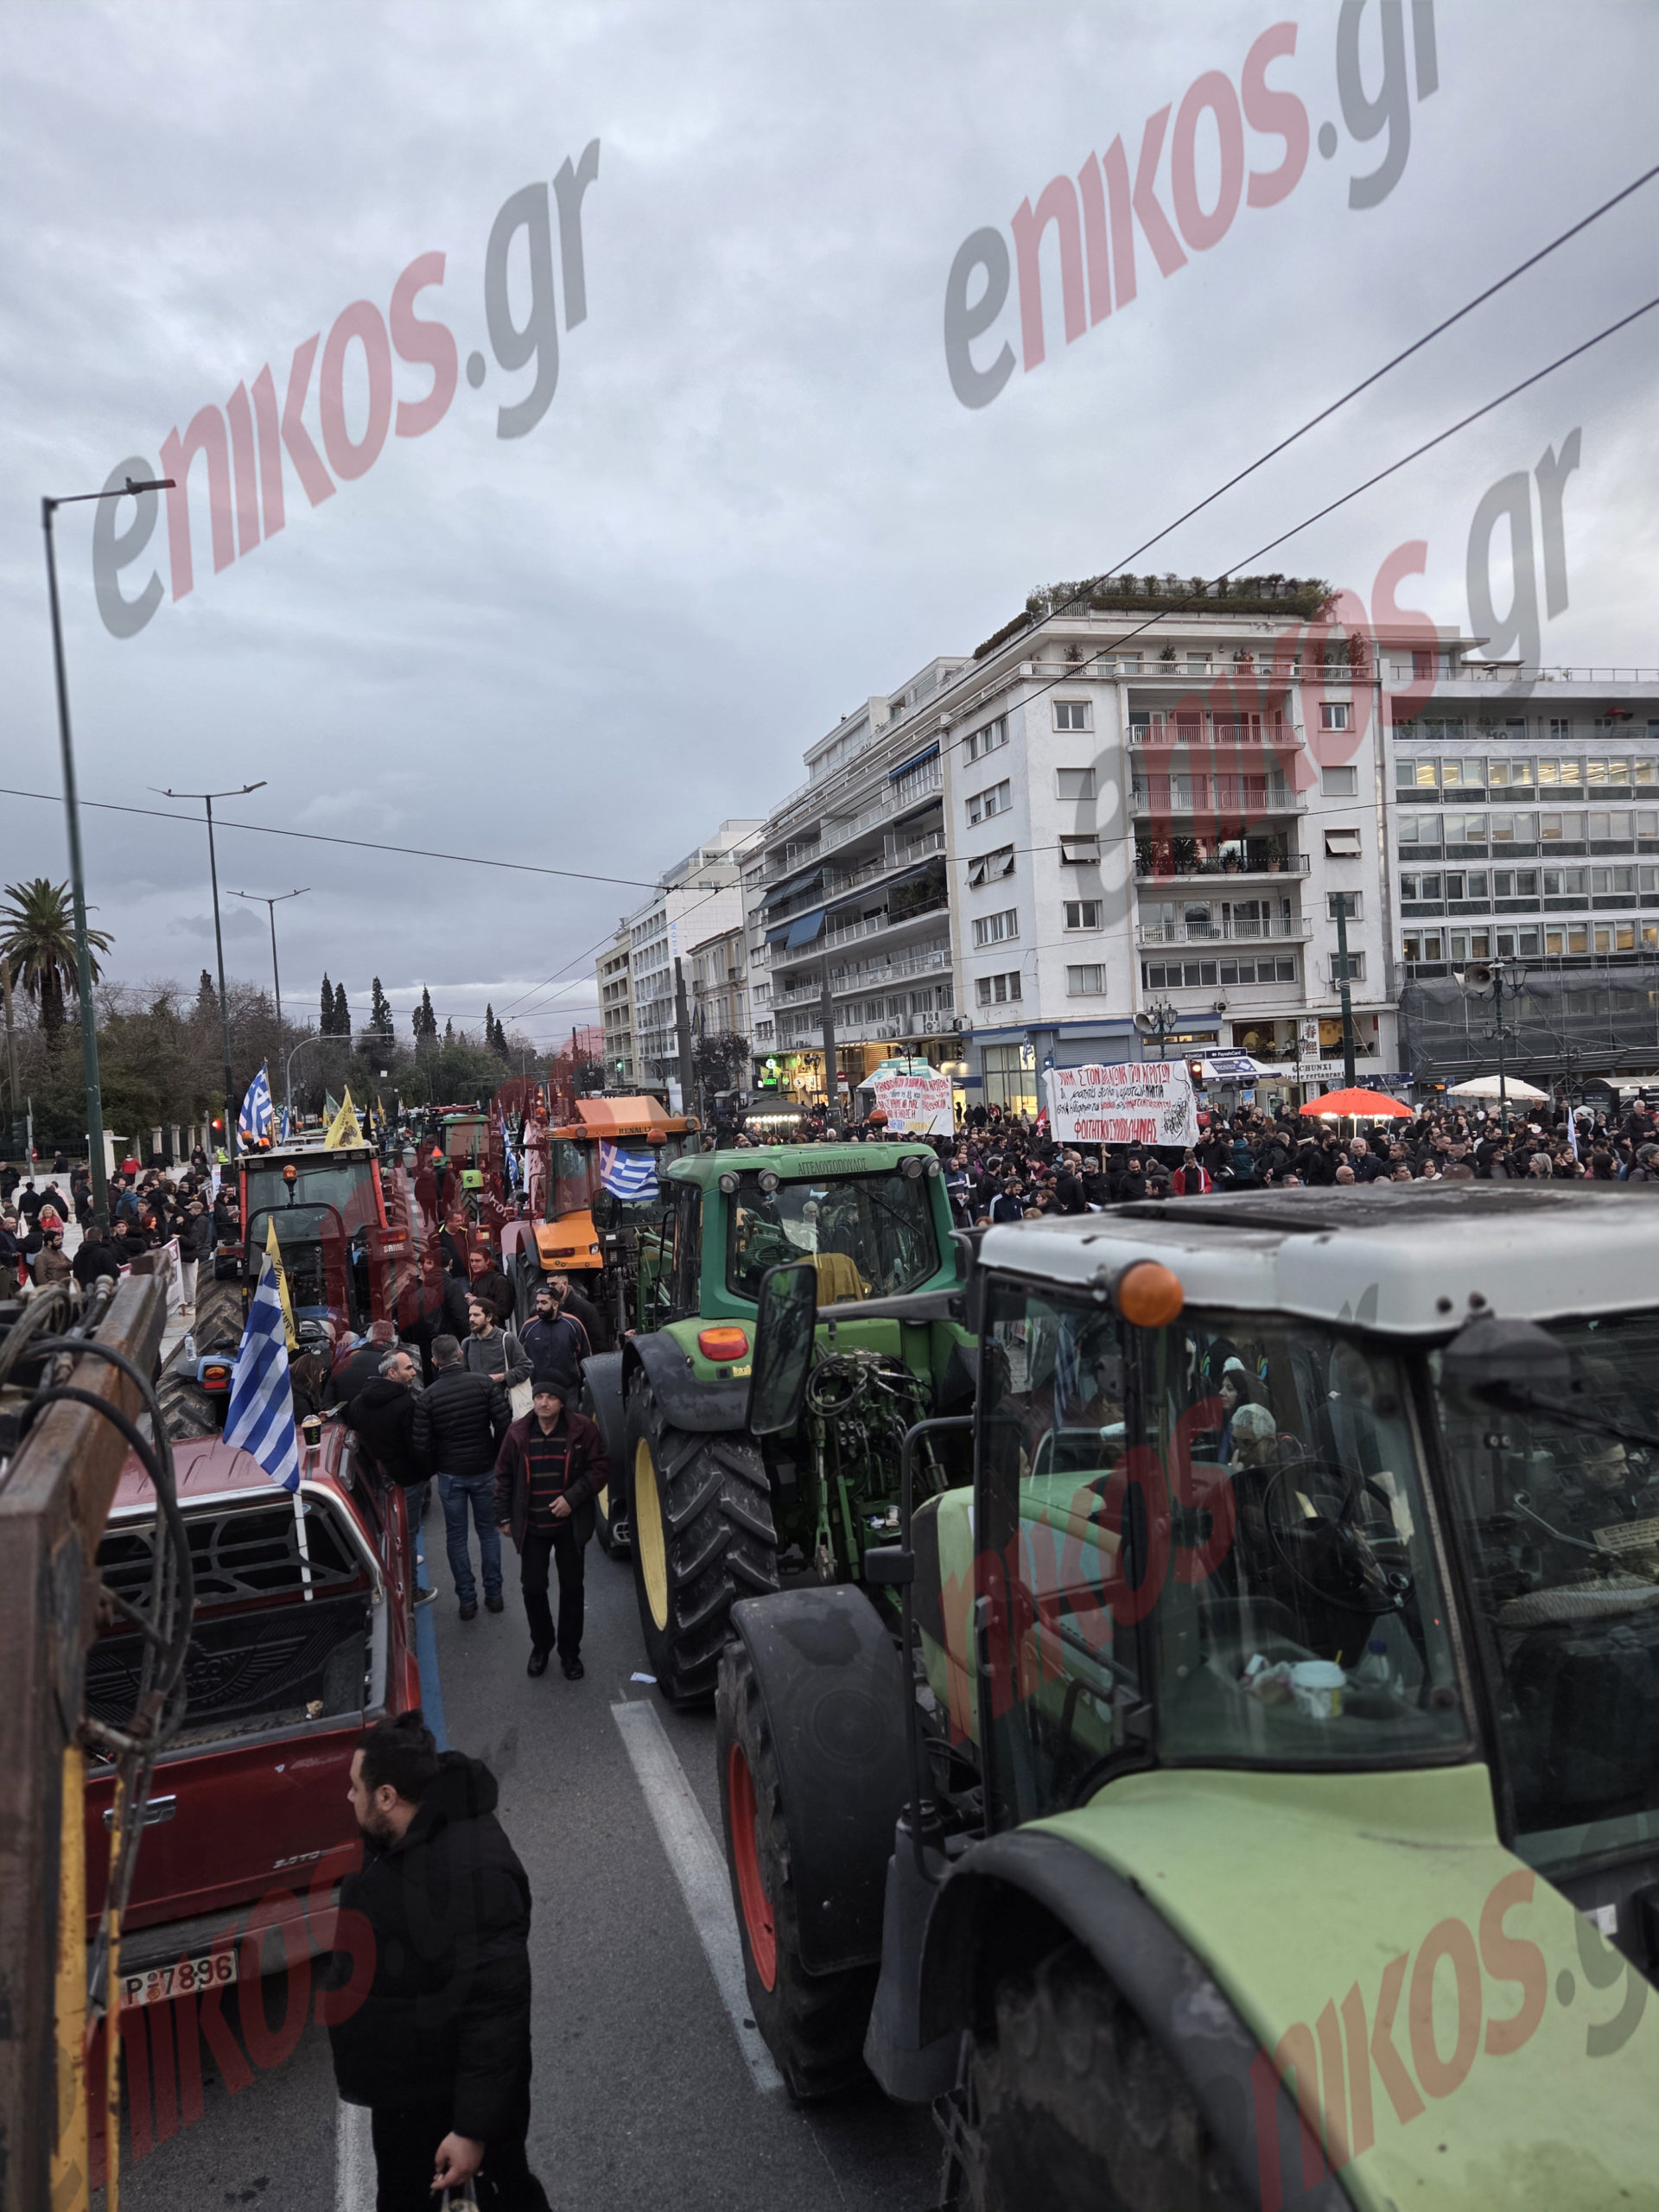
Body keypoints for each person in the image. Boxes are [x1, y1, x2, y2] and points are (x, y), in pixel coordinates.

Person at [327, 1710, 551, 2212]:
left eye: (354, 1787)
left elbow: (495, 2011)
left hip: (442, 2101)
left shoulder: (472, 1876)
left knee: (499, 2192)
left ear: (387, 1796)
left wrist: (471, 2130)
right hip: (410, 2090)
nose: (348, 1797)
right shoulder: (401, 1834)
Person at [494, 1376, 609, 1680]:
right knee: (533, 1588)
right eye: (539, 1396)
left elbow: (599, 1468)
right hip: (532, 1525)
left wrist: (572, 1498)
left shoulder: (583, 1429)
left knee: (572, 1589)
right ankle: (542, 1646)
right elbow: (504, 1475)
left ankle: (570, 1653)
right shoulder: (518, 1433)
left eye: (550, 1397)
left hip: (569, 1526)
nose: (543, 1402)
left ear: (562, 1401)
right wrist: (503, 1516)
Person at [414, 1334, 511, 1619]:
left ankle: (467, 1600)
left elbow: (421, 1444)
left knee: (456, 1538)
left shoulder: (428, 1396)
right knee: (489, 1533)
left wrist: (438, 1464)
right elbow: (504, 1423)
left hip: (450, 1474)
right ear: (460, 1354)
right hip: (483, 1468)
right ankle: (494, 1595)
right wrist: (493, 1454)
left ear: (434, 1361)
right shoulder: (483, 1384)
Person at [346, 1347, 437, 1605]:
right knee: (408, 1535)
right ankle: (412, 1592)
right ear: (392, 1373)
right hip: (409, 1478)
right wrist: (427, 1469)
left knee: (389, 1533)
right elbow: (418, 1446)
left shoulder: (358, 1403)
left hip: (379, 1478)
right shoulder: (406, 1404)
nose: (414, 1371)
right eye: (408, 1368)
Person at [520, 1281, 591, 1392]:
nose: (539, 1307)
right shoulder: (529, 1327)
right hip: (538, 1390)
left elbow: (585, 1357)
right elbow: (519, 1358)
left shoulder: (573, 1324)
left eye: (544, 1303)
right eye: (537, 1302)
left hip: (569, 1389)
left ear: (555, 1305)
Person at [464, 1298, 531, 1392]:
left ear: (489, 1317)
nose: (471, 1319)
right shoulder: (467, 1343)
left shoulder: (507, 1339)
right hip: (478, 1401)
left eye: (476, 1315)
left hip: (504, 1400)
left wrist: (503, 1376)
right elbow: (464, 1374)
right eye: (470, 1315)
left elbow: (526, 1367)